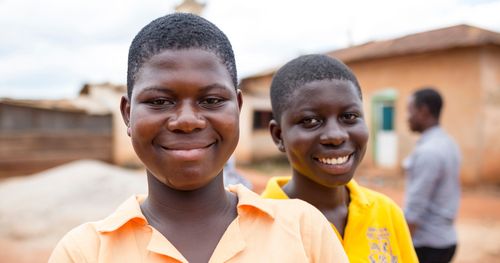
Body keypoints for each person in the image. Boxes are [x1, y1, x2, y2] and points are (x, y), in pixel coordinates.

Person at [48, 13, 348, 263]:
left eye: (212, 100)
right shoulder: (84, 253)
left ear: (238, 109)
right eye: (159, 101)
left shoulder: (304, 231)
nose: (188, 121)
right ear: (128, 114)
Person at [261, 54, 418, 263]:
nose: (336, 136)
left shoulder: (386, 212)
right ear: (279, 136)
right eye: (310, 120)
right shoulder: (259, 225)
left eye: (349, 117)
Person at [403, 87, 461, 263]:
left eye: (409, 111)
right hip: (445, 239)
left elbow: (415, 209)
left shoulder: (429, 152)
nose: (407, 118)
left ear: (423, 111)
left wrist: (401, 246)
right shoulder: (449, 143)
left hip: (427, 245)